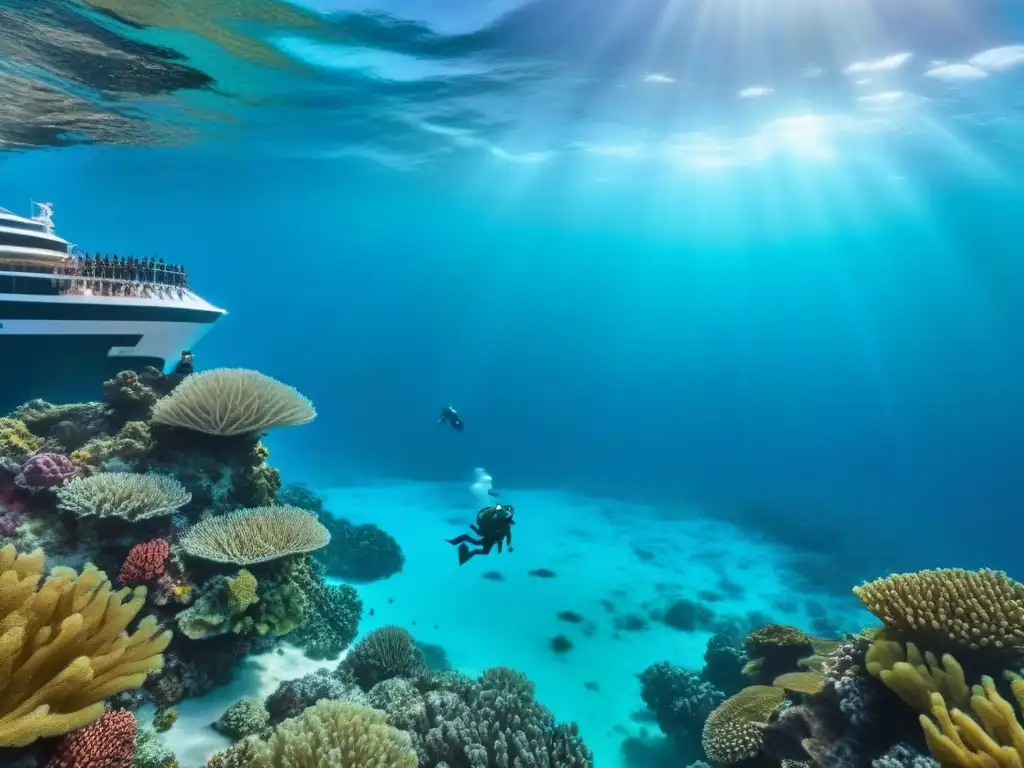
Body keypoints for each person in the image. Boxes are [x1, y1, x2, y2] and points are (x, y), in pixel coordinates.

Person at [446, 504, 515, 565]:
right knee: (480, 546)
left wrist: (474, 528)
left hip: (489, 538)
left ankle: (460, 542)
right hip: (490, 538)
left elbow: (506, 536)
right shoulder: (505, 526)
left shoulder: (503, 525)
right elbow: (507, 536)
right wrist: (506, 546)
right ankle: (460, 542)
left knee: (479, 545)